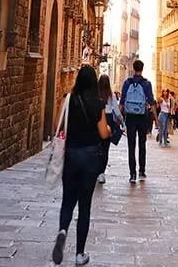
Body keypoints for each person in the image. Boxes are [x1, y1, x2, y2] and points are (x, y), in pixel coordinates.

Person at [52, 65, 111, 266]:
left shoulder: (69, 100)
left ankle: (62, 230)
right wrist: (109, 128)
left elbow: (57, 126)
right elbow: (104, 133)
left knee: (68, 199)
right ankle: (79, 254)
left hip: (71, 155)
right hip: (90, 158)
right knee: (84, 205)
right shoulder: (98, 104)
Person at [119, 59, 155, 184]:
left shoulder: (127, 83)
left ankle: (132, 173)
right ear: (142, 69)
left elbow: (122, 102)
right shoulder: (146, 84)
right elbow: (151, 102)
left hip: (130, 117)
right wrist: (156, 119)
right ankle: (142, 171)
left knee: (131, 145)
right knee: (142, 144)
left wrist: (119, 118)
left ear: (134, 69)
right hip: (142, 117)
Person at [97, 74, 124, 183]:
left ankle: (95, 170)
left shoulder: (96, 94)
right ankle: (101, 173)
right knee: (105, 148)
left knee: (96, 146)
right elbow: (116, 112)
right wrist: (122, 121)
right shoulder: (111, 95)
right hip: (107, 120)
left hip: (97, 119)